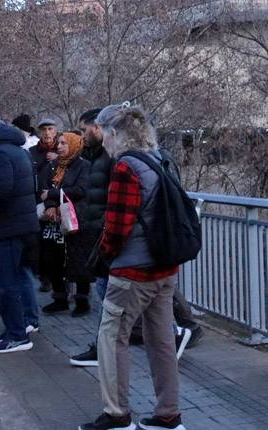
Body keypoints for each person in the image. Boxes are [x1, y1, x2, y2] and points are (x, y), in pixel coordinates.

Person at [79, 103, 185, 430]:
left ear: (114, 134)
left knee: (111, 341)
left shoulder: (126, 167)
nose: (103, 142)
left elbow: (117, 227)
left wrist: (107, 259)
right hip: (164, 269)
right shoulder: (159, 159)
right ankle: (168, 414)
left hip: (132, 273)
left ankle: (117, 414)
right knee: (162, 342)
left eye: (104, 134)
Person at [0, 115, 40, 354]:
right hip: (15, 225)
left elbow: (1, 189)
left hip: (8, 227)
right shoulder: (15, 150)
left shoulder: (2, 154)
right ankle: (16, 327)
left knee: (5, 282)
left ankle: (17, 334)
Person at [37, 131, 91, 314]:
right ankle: (59, 298)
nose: (59, 146)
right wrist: (51, 205)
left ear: (74, 145)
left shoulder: (84, 166)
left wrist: (53, 195)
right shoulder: (51, 165)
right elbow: (43, 188)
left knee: (78, 259)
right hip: (53, 222)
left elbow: (81, 190)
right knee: (53, 260)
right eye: (58, 143)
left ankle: (82, 301)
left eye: (64, 143)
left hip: (75, 220)